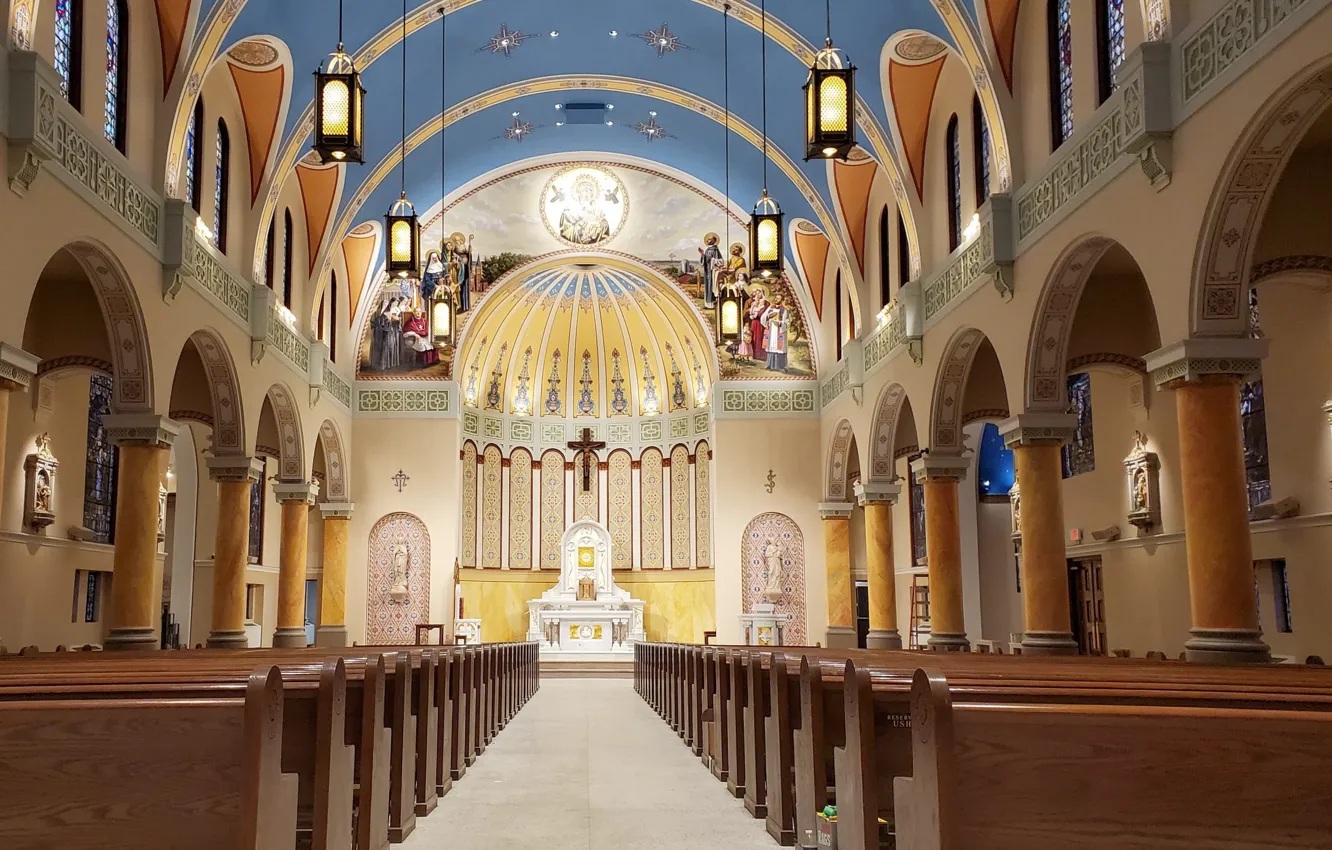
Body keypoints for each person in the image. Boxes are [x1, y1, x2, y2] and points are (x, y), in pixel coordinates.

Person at [761, 295, 792, 373]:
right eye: (776, 297)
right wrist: (768, 316)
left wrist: (781, 323)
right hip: (771, 331)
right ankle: (769, 365)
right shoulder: (770, 308)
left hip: (779, 331)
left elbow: (787, 322)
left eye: (778, 298)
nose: (776, 299)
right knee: (771, 346)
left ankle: (782, 366)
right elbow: (763, 317)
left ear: (782, 300)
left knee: (780, 348)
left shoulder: (784, 310)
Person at [697, 232, 722, 308]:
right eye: (708, 239)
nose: (708, 240)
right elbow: (704, 260)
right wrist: (702, 254)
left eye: (710, 239)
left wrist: (712, 259)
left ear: (714, 240)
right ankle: (707, 304)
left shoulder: (715, 250)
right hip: (707, 271)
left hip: (713, 271)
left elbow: (720, 261)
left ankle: (712, 304)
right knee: (708, 286)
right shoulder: (708, 249)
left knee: (712, 287)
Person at [746, 286, 769, 355]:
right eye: (757, 293)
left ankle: (760, 354)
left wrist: (756, 313)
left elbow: (763, 313)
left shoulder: (765, 303)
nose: (758, 294)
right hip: (754, 322)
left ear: (762, 294)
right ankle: (753, 353)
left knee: (760, 337)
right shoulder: (754, 302)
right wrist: (752, 310)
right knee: (753, 337)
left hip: (761, 323)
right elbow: (750, 312)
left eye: (759, 293)